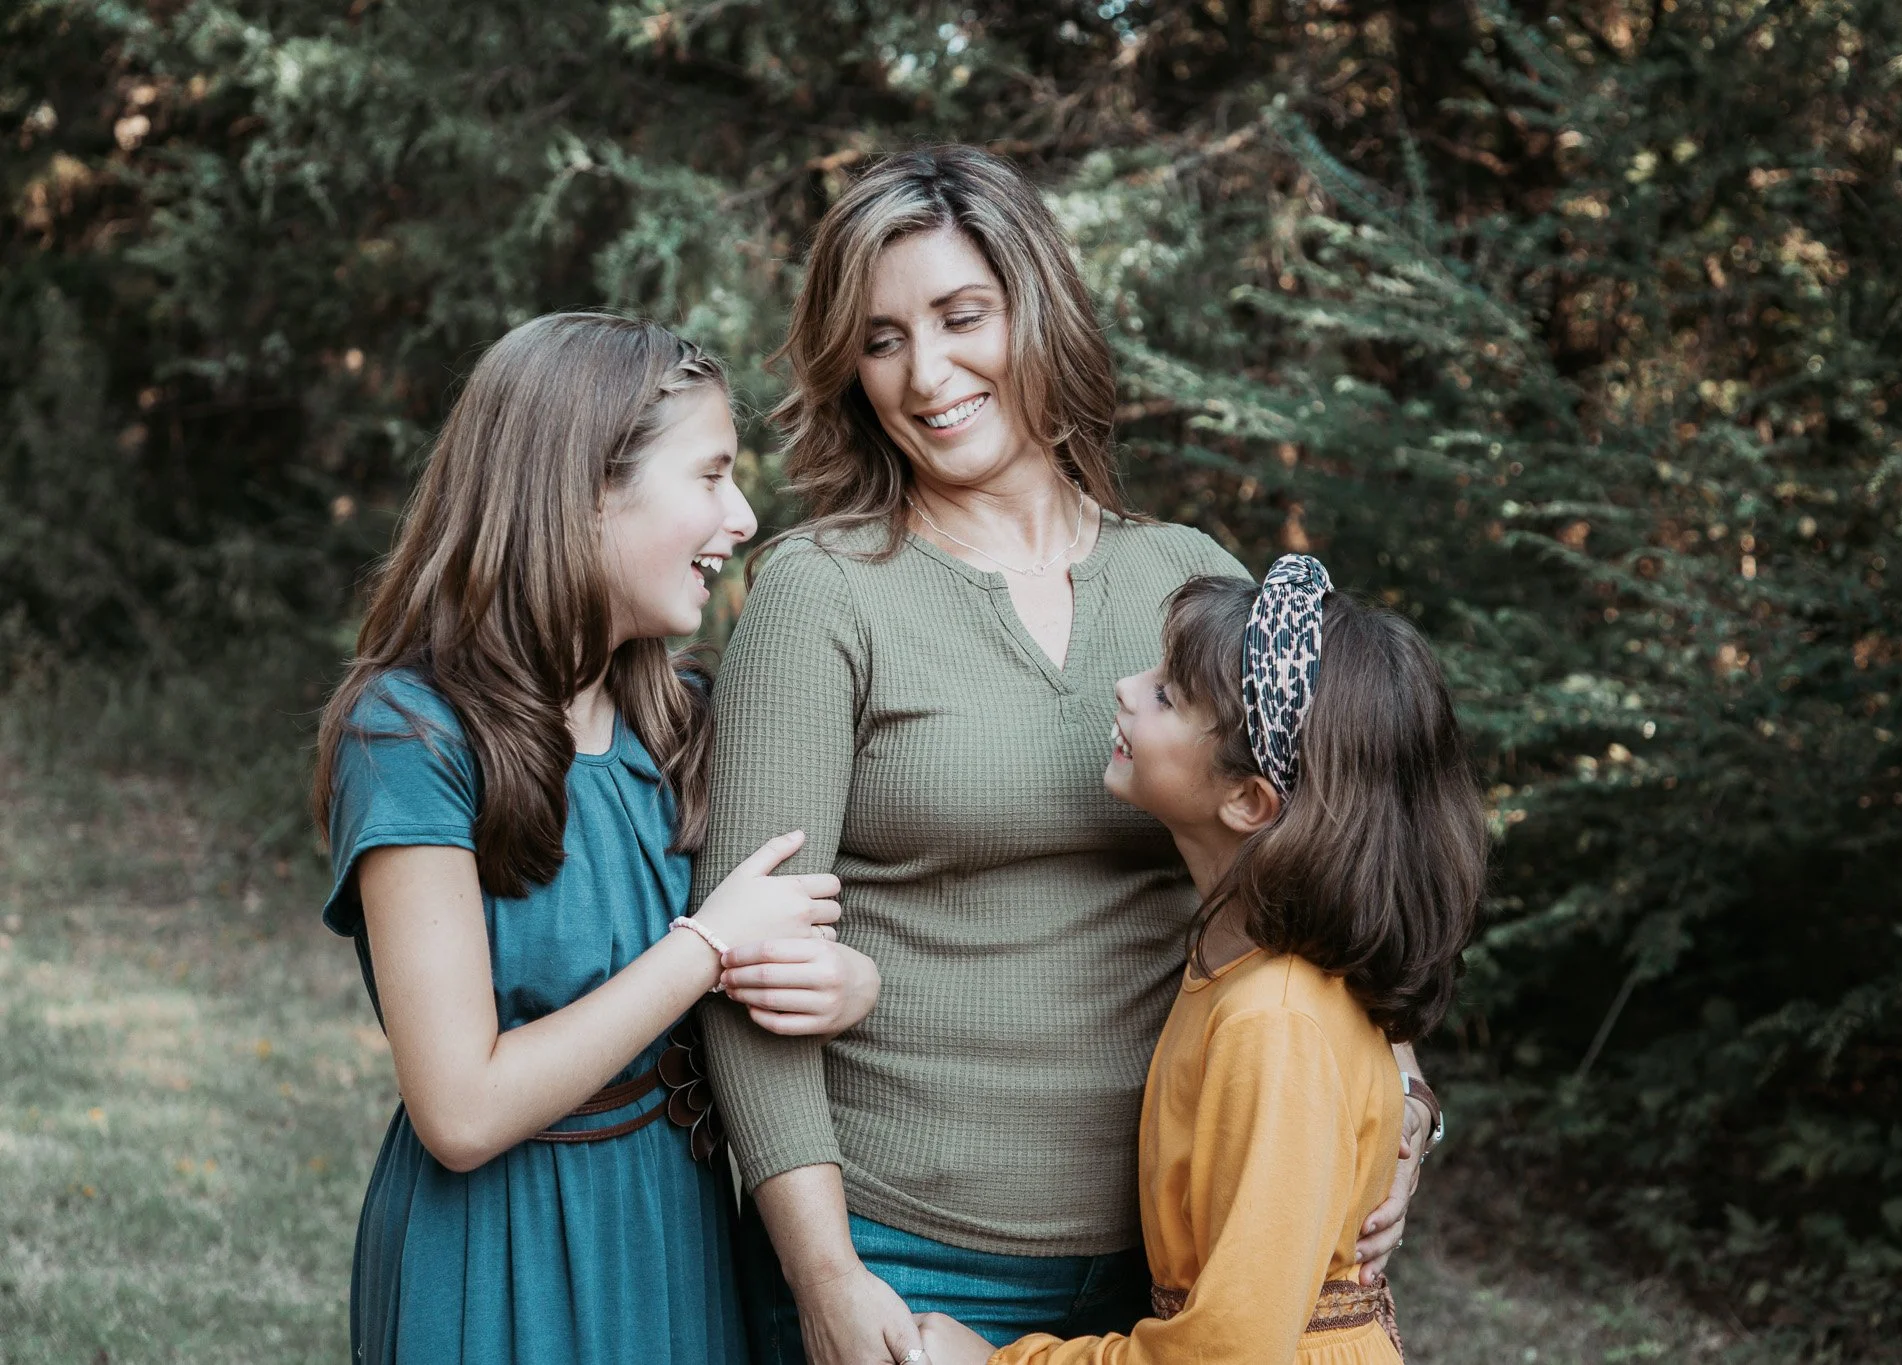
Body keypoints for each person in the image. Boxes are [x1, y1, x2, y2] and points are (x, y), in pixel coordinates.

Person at [696, 145, 1440, 1365]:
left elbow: (1322, 842)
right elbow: (750, 967)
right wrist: (823, 1275)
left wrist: (1400, 1094)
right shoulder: (819, 596)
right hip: (906, 1245)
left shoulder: (1184, 581)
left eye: (959, 316)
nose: (925, 373)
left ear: (1033, 308)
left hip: (1179, 1253)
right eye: (881, 339)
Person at [312, 312, 881, 1365]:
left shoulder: (683, 722)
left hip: (678, 1223)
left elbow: (776, 953)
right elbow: (462, 1107)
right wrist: (704, 948)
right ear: (582, 492)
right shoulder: (407, 735)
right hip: (499, 1249)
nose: (744, 516)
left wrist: (848, 987)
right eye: (710, 476)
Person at [913, 555, 1489, 1364]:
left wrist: (998, 1362)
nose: (1123, 685)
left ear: (1248, 799)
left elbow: (1227, 1353)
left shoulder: (1273, 1022)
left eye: (1166, 695)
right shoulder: (1239, 968)